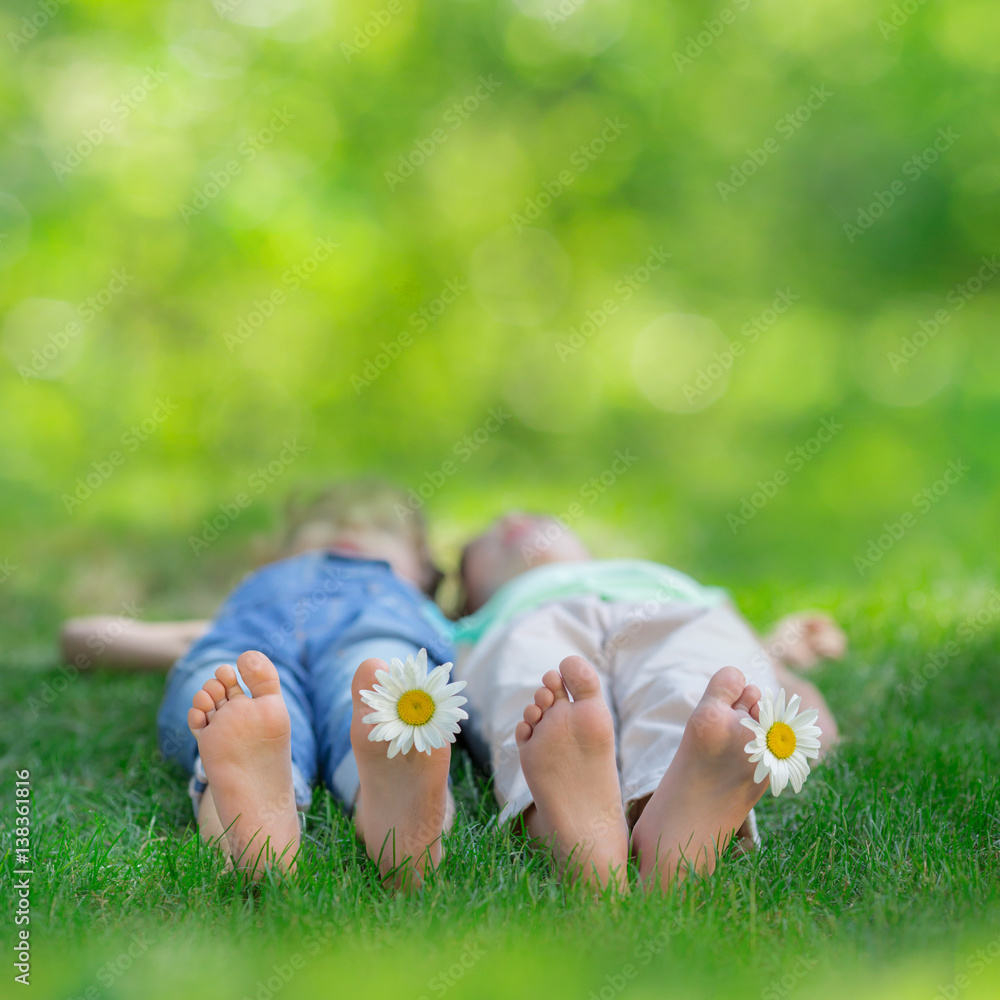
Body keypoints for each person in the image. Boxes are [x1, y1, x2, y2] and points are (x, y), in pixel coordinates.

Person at [67, 481, 460, 888]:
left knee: (389, 682)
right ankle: (255, 833)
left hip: (373, 635)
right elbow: (85, 636)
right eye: (322, 522)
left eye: (383, 527)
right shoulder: (254, 597)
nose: (349, 526)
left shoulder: (428, 614)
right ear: (275, 557)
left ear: (425, 575)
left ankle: (404, 812)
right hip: (252, 647)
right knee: (231, 690)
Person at [452, 512, 843, 892]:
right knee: (534, 687)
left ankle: (665, 818)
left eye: (537, 516)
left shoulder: (662, 580)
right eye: (482, 542)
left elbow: (754, 652)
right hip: (527, 621)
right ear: (468, 598)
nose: (509, 518)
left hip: (673, 609)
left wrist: (786, 660)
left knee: (692, 678)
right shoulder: (477, 625)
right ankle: (599, 832)